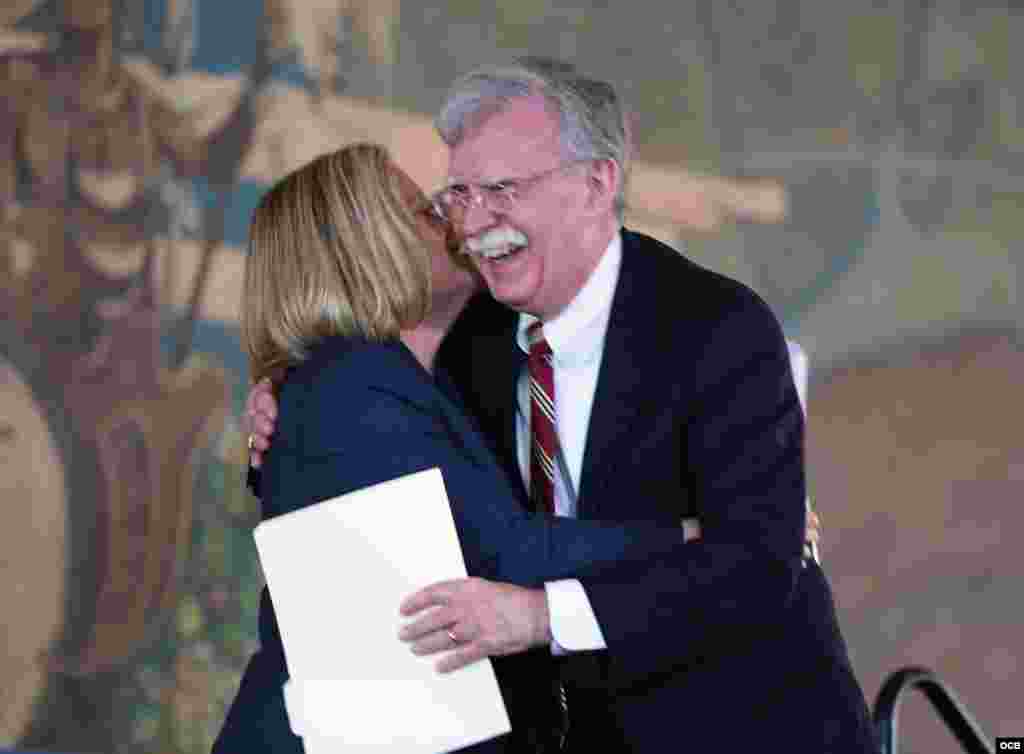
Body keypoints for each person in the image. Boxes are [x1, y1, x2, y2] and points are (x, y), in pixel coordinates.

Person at [245, 60, 876, 753]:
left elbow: (757, 566)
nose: (472, 223)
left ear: (596, 183)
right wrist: (280, 407)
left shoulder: (718, 326)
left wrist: (542, 616)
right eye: (457, 195)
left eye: (503, 189)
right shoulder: (462, 344)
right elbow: (462, 521)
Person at [214, 142, 716, 754]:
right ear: (365, 247)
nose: (455, 226)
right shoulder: (347, 379)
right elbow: (501, 551)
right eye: (425, 213)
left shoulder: (415, 380)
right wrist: (695, 537)